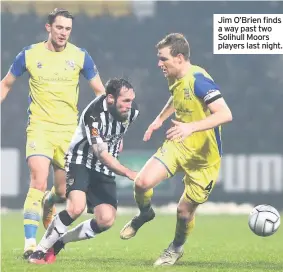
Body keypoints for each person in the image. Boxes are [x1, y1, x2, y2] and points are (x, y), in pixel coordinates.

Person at [119, 33, 233, 266]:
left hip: (204, 158)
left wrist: (191, 127)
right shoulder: (174, 76)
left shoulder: (199, 80)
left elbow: (225, 114)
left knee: (183, 212)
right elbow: (176, 97)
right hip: (178, 145)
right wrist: (159, 119)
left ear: (179, 58)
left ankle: (176, 248)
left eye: (163, 59)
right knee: (141, 183)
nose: (159, 64)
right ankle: (145, 214)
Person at [0, 8, 105, 259]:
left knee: (61, 191)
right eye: (59, 28)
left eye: (68, 29)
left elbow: (101, 92)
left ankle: (49, 202)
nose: (63, 33)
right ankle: (29, 244)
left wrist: (99, 127)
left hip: (69, 132)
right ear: (49, 27)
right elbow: (5, 84)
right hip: (39, 127)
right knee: (38, 179)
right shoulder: (29, 54)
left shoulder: (80, 56)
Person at [28, 78, 139, 264]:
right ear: (110, 98)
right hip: (81, 161)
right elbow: (101, 154)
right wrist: (129, 173)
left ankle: (60, 242)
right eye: (125, 101)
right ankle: (39, 250)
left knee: (106, 220)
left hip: (103, 169)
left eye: (131, 100)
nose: (130, 105)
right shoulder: (93, 115)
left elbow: (119, 133)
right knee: (76, 207)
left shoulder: (131, 113)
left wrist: (118, 141)